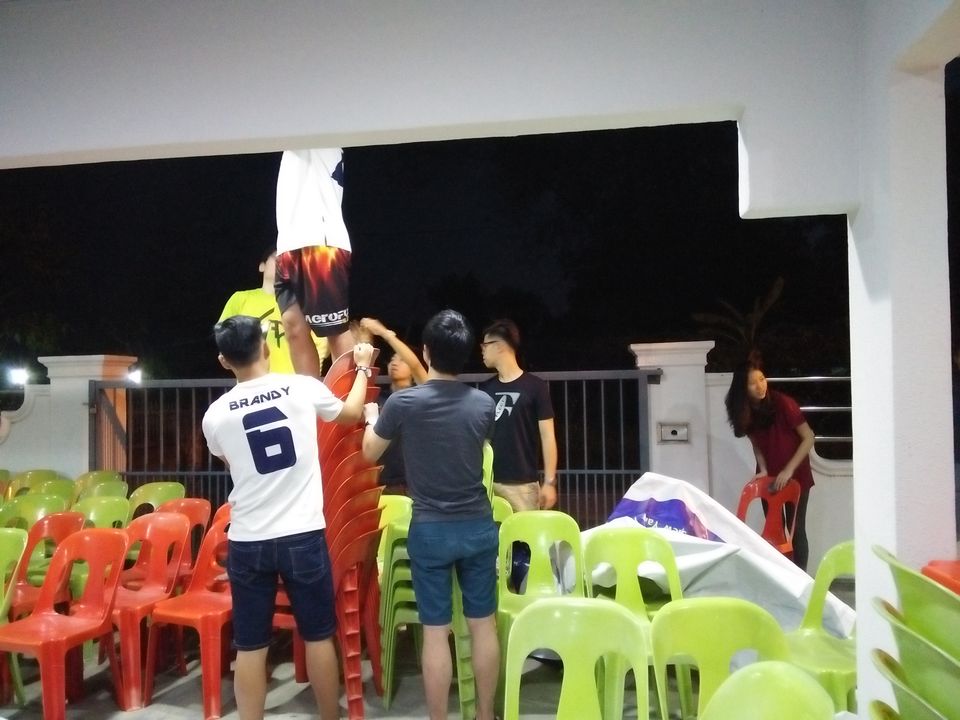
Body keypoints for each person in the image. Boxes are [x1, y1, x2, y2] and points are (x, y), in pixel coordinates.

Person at [201, 314, 375, 720]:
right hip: (303, 535)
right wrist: (363, 368)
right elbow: (351, 412)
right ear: (265, 347)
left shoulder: (215, 415)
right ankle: (330, 716)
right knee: (318, 635)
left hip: (248, 539)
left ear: (224, 361)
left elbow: (230, 461)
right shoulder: (301, 387)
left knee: (250, 645)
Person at [361, 309, 499, 720]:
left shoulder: (403, 403)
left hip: (430, 530)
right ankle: (485, 714)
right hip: (477, 527)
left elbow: (369, 453)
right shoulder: (484, 404)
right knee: (483, 625)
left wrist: (373, 418)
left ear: (425, 351)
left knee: (436, 633)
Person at [725, 356, 815, 571]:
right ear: (742, 389)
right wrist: (763, 469)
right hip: (771, 478)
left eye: (762, 379)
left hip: (795, 474)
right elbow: (756, 444)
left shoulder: (783, 403)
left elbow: (808, 437)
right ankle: (782, 575)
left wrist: (788, 471)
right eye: (752, 383)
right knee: (775, 530)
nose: (760, 386)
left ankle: (801, 579)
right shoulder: (745, 411)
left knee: (796, 529)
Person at [275, 148, 356, 378]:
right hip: (287, 242)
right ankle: (310, 395)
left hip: (320, 239)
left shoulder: (319, 136)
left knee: (335, 329)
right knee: (293, 327)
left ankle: (351, 396)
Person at [479, 319, 558, 511]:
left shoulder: (535, 387)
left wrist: (549, 482)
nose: (482, 351)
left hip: (523, 485)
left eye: (485, 345)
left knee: (523, 531)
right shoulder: (486, 389)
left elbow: (548, 436)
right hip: (488, 482)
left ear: (499, 346)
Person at [218, 247, 328, 374]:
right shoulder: (240, 298)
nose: (282, 263)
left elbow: (321, 342)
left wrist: (309, 375)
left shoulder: (302, 302)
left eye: (287, 261)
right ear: (262, 266)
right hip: (253, 381)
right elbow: (224, 335)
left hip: (294, 380)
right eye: (277, 258)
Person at [359, 317, 429, 494]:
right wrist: (365, 342)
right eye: (392, 359)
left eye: (401, 360)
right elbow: (361, 374)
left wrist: (384, 333)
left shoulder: (422, 396)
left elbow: (416, 365)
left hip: (413, 483)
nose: (395, 363)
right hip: (382, 482)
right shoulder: (378, 398)